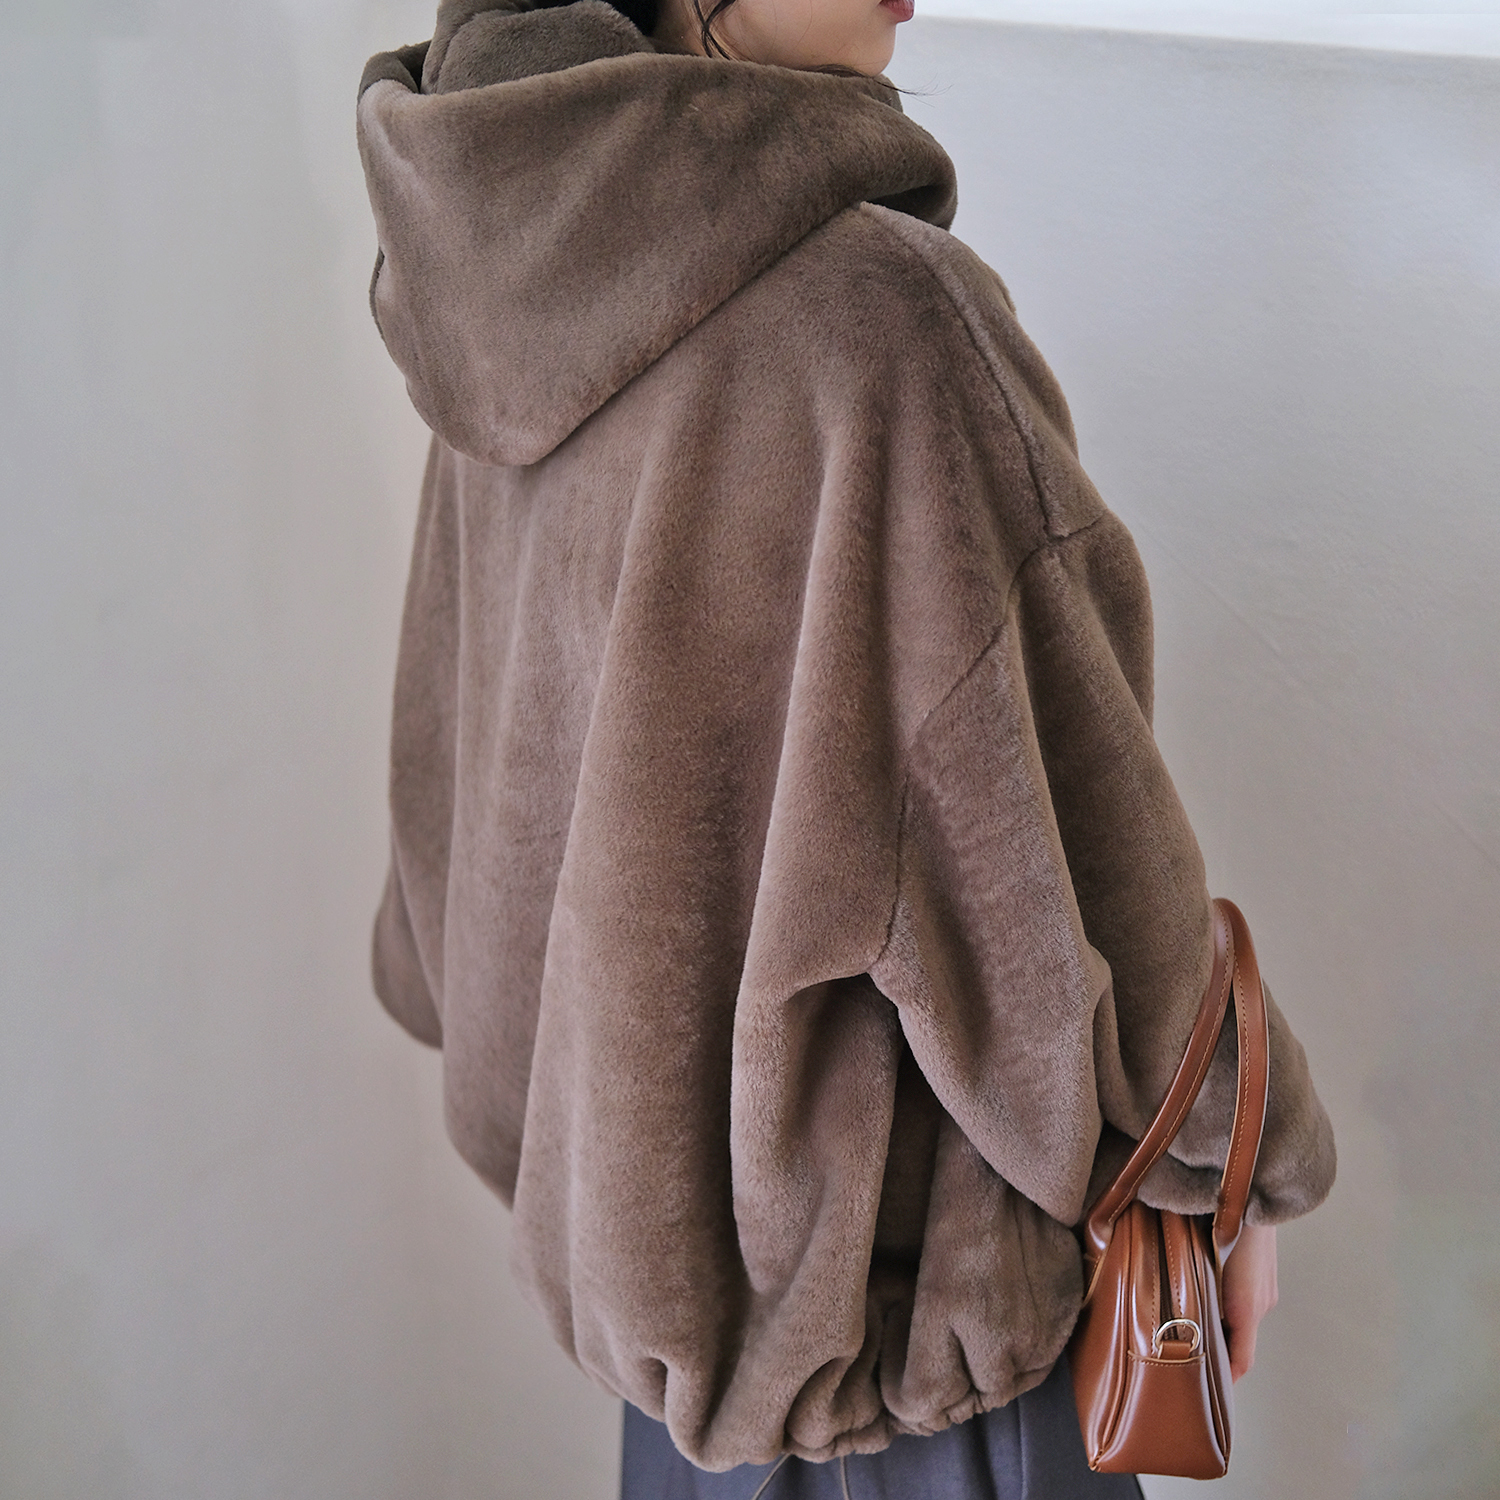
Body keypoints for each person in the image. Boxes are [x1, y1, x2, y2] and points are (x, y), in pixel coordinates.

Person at [356, 0, 1336, 1494]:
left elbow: (460, 793)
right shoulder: (879, 325)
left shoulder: (508, 264)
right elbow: (1056, 864)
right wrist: (1229, 1160)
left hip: (676, 1400)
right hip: (908, 1367)